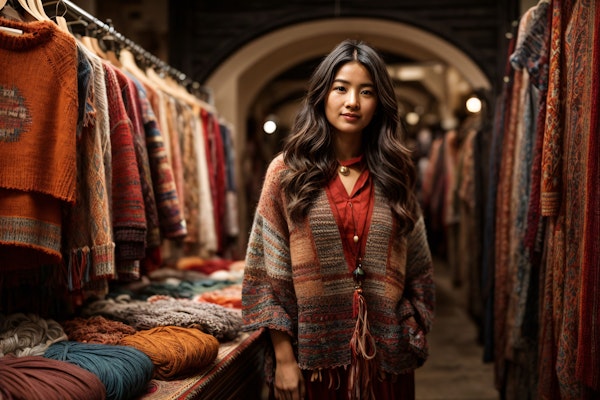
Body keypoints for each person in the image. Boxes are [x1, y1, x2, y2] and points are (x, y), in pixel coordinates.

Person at [242, 39, 435, 400]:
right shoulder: (286, 173)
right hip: (313, 365)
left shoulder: (396, 174)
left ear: (379, 104)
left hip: (387, 362)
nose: (352, 102)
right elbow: (262, 277)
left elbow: (419, 270)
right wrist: (284, 359)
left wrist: (410, 326)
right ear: (321, 95)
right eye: (341, 89)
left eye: (367, 92)